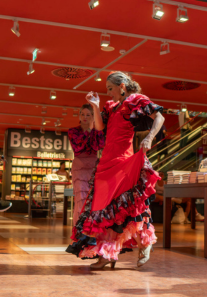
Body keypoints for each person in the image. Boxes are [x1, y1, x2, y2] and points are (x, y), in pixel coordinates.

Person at [66, 71, 165, 268]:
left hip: (123, 162)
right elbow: (100, 128)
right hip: (105, 163)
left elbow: (159, 117)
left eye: (110, 89)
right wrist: (95, 105)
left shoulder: (135, 100)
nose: (108, 93)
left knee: (126, 208)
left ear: (121, 86)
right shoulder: (111, 106)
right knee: (103, 210)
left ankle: (143, 243)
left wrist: (149, 137)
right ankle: (106, 254)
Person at [68, 104, 105, 224]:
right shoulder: (72, 131)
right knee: (80, 197)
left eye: (88, 115)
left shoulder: (98, 131)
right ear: (79, 115)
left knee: (92, 197)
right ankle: (80, 227)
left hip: (93, 166)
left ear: (93, 116)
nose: (85, 117)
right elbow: (78, 147)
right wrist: (89, 131)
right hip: (79, 166)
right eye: (82, 114)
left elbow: (98, 146)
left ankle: (91, 227)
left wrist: (92, 129)